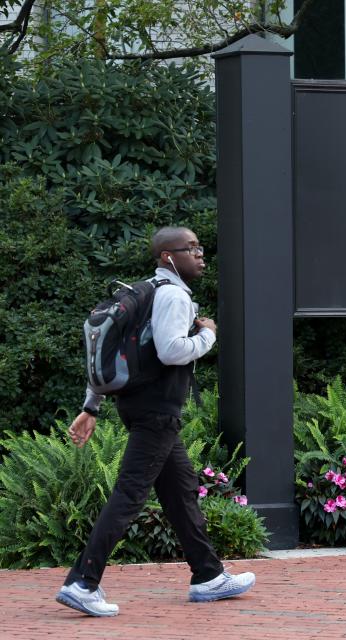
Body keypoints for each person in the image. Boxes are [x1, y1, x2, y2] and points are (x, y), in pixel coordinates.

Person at [56, 226, 255, 617]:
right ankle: (83, 582)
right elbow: (171, 351)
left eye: (200, 247)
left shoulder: (142, 292)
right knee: (130, 495)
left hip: (139, 406)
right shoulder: (173, 296)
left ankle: (208, 576)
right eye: (191, 248)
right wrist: (209, 336)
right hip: (157, 411)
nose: (200, 254)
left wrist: (91, 406)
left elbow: (112, 355)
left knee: (180, 492)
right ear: (168, 257)